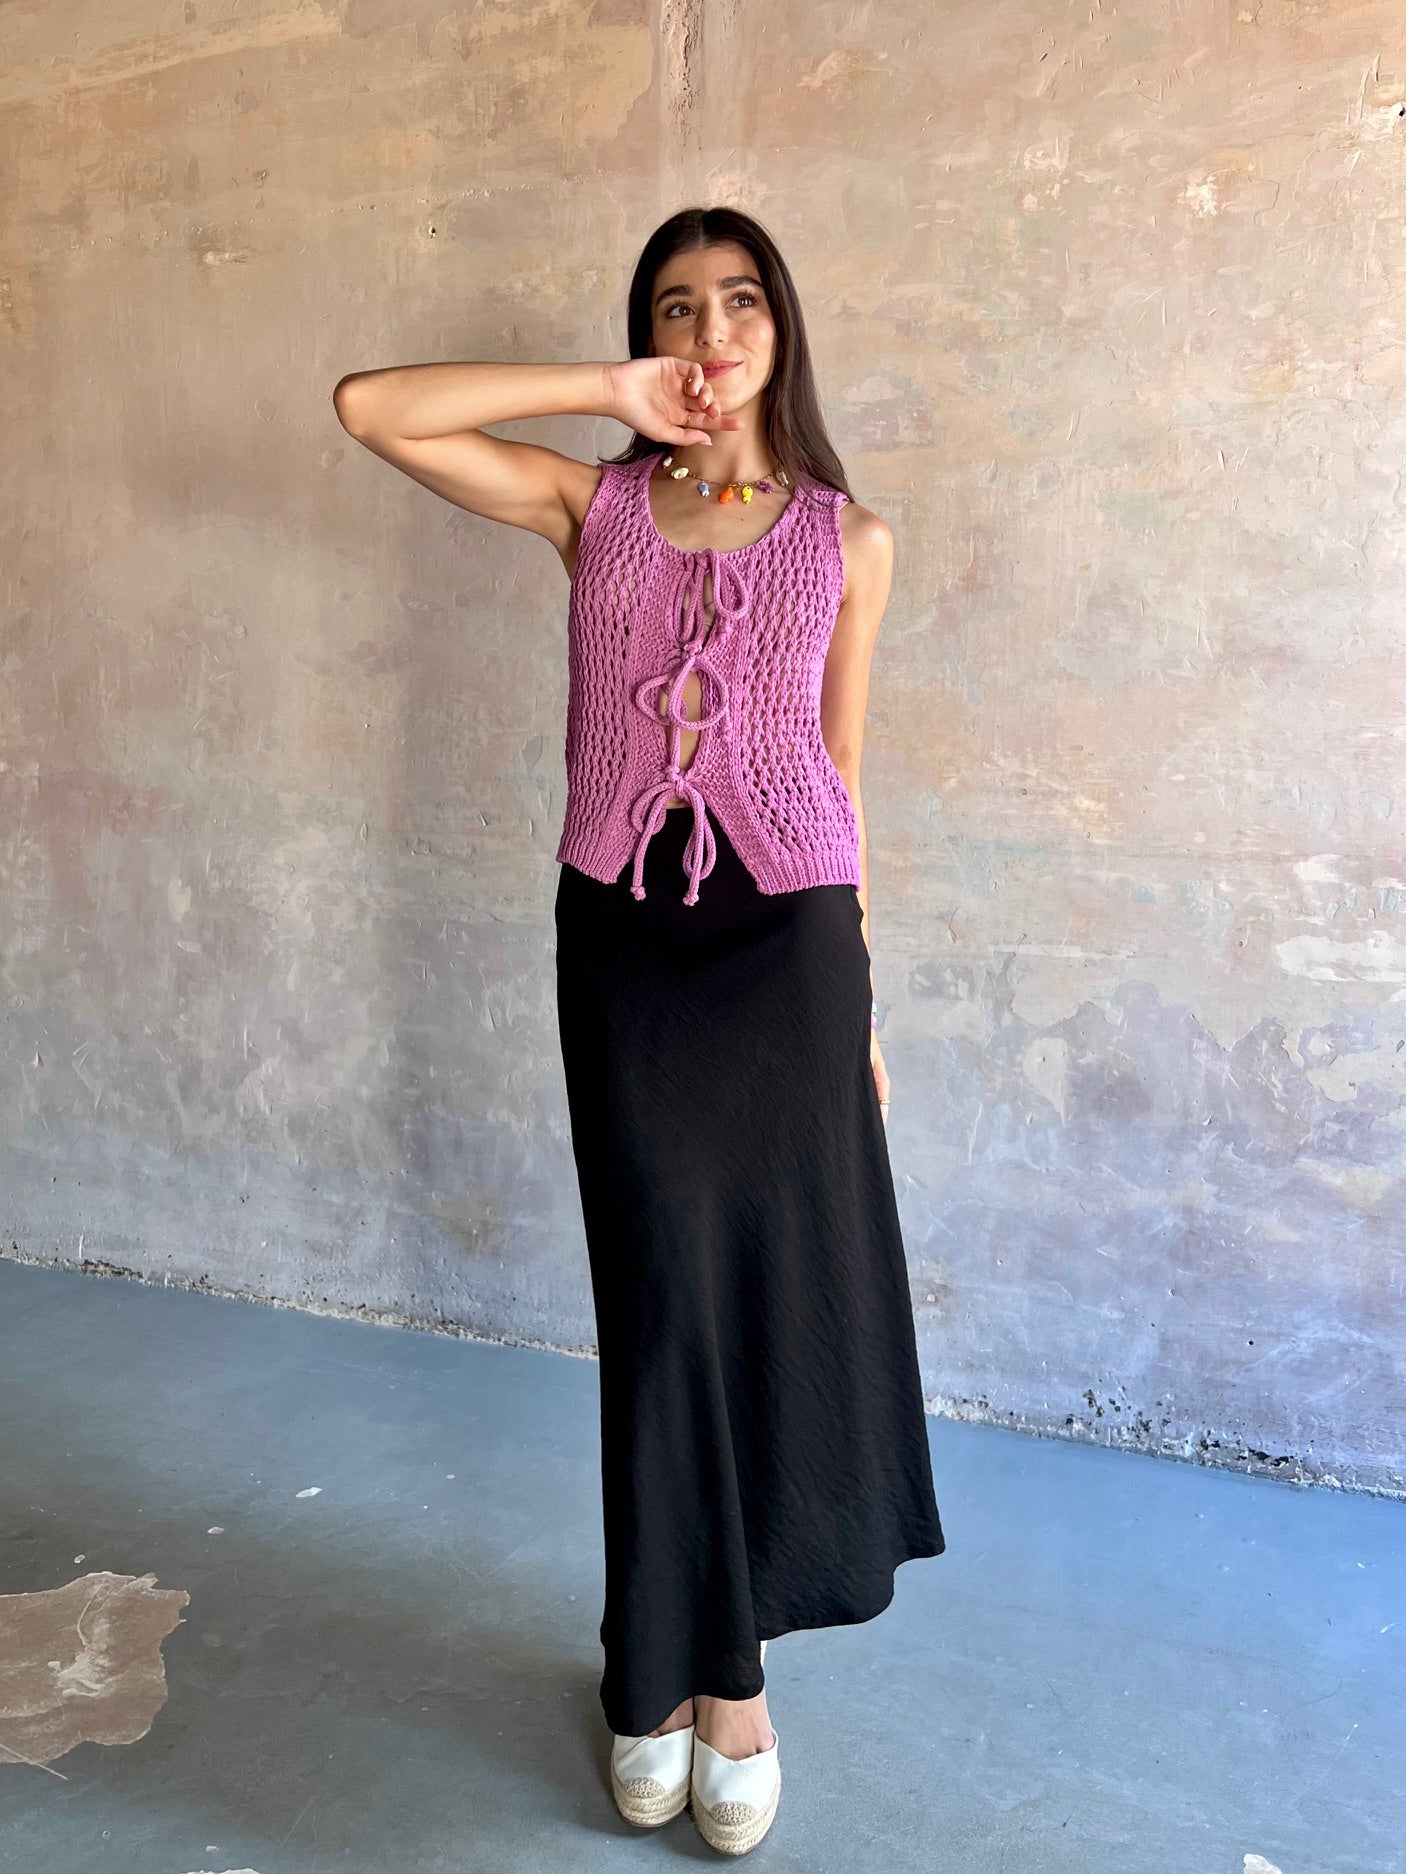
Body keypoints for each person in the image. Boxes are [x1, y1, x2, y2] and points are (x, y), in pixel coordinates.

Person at [333, 204, 945, 1856]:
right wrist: (607, 390)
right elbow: (371, 408)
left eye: (739, 300)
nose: (710, 330)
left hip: (787, 950)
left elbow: (839, 773)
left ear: (780, 328)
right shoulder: (588, 506)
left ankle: (708, 1682)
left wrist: (864, 995)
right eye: (676, 307)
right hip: (624, 940)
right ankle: (669, 1658)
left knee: (765, 1299)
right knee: (661, 1302)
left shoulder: (849, 539)